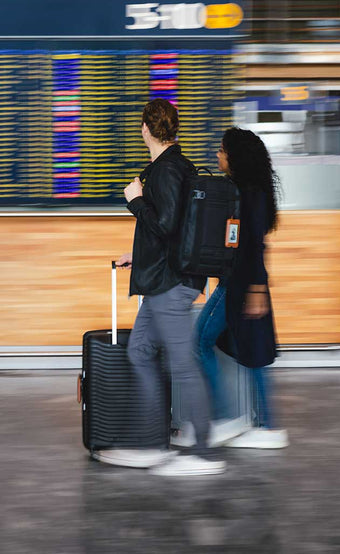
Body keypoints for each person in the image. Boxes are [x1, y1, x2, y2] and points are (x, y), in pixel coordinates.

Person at [93, 98, 226, 476]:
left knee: (183, 364)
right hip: (164, 279)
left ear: (146, 130)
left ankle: (201, 452)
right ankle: (152, 441)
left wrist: (134, 202)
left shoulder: (166, 171)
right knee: (140, 352)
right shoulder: (175, 167)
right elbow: (173, 230)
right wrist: (139, 253)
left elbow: (165, 224)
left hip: (170, 285)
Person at [193, 127, 288, 449]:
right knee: (252, 355)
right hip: (238, 283)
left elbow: (256, 245)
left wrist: (258, 290)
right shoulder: (239, 190)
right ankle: (266, 426)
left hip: (242, 286)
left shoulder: (250, 194)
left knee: (202, 341)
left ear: (235, 156)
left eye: (222, 150)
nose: (217, 155)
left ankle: (225, 420)